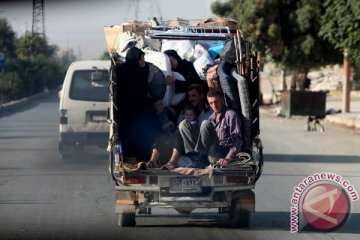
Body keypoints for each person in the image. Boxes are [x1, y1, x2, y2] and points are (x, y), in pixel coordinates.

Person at [116, 47, 171, 162]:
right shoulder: (126, 72)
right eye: (141, 59)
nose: (143, 62)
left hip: (143, 111)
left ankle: (151, 158)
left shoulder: (142, 70)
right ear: (135, 60)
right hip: (131, 113)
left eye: (143, 59)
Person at [166, 88, 243, 168]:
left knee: (205, 123)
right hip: (207, 153)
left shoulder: (231, 115)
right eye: (211, 103)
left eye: (216, 102)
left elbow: (237, 140)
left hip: (220, 152)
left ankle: (200, 159)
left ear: (222, 100)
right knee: (183, 124)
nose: (214, 105)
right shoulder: (212, 116)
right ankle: (195, 156)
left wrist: (228, 158)